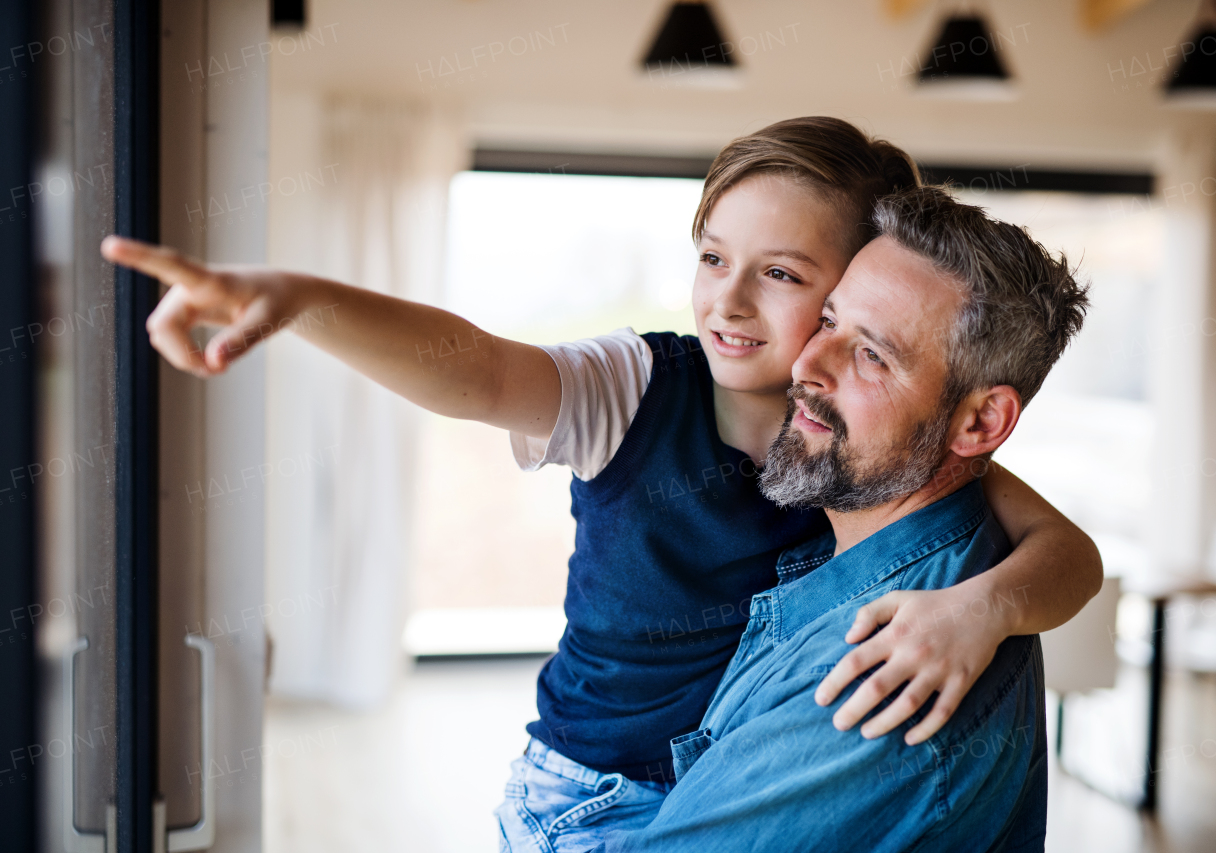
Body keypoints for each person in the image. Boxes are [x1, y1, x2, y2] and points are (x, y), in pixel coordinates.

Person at [99, 118, 1101, 853]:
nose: (729, 298)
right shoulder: (640, 388)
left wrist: (983, 609)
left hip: (689, 791)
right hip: (580, 790)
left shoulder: (877, 466)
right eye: (712, 258)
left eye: (787, 279)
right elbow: (478, 369)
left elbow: (1066, 553)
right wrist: (302, 300)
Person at [589, 185, 1088, 852]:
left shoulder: (882, 674)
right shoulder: (930, 550)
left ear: (979, 422)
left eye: (872, 355)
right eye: (828, 321)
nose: (806, 365)